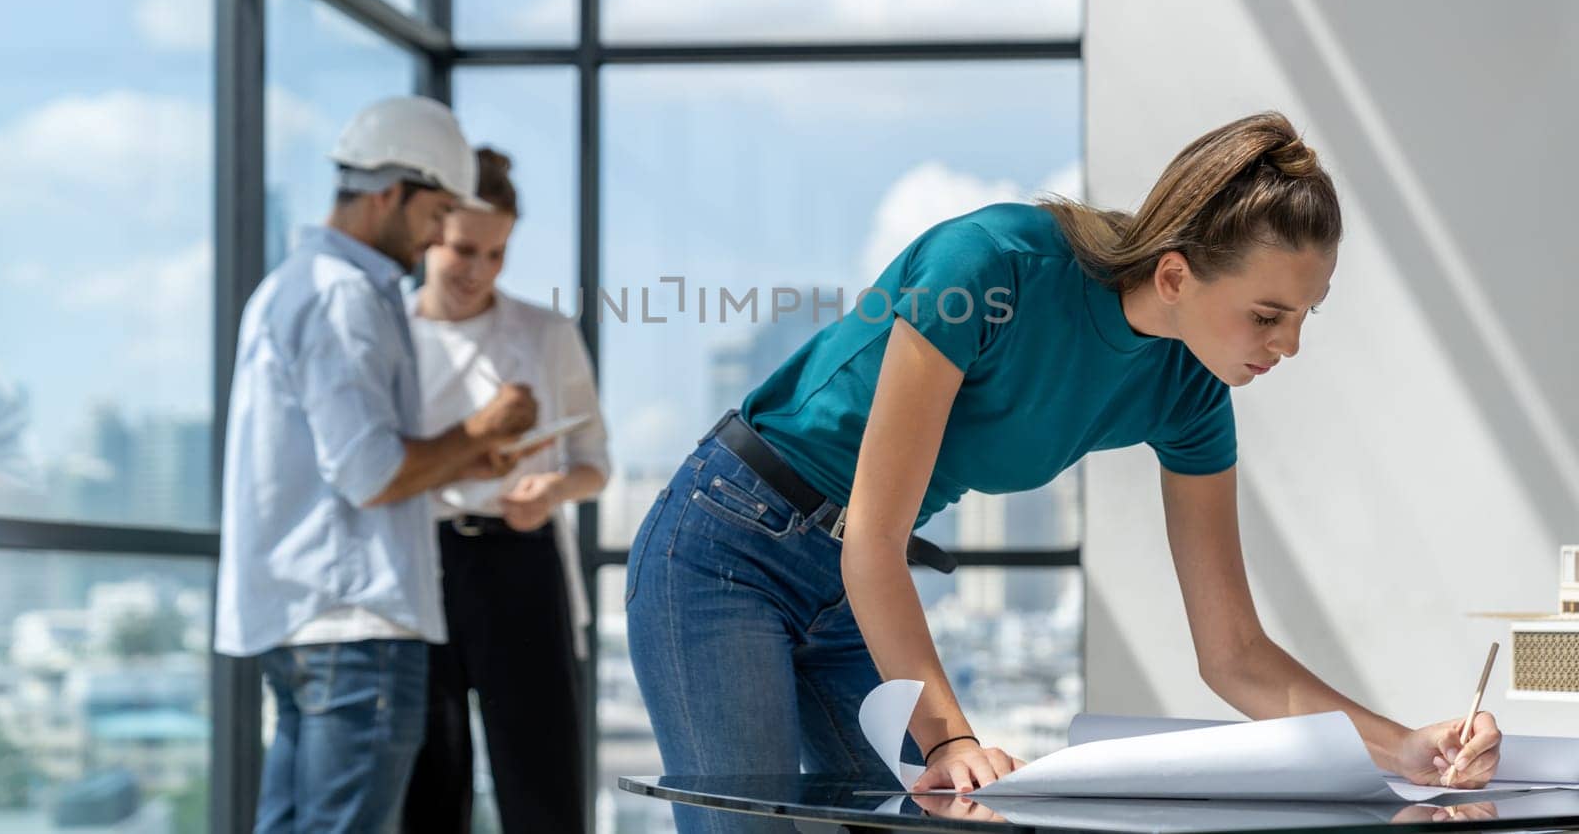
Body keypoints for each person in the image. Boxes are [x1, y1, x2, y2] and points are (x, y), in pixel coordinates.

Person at [626, 113, 1503, 833]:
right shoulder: (992, 267)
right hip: (729, 546)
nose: (1291, 344)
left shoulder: (1190, 394)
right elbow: (875, 538)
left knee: (934, 824)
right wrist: (950, 739)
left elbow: (1232, 652)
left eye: (1306, 315)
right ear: (1174, 273)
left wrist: (1406, 748)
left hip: (856, 586)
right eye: (1269, 314)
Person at [215, 97, 542, 834]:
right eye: (434, 217)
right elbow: (373, 474)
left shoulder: (295, 285)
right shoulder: (343, 296)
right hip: (354, 625)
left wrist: (469, 450)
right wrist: (481, 426)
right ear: (391, 192)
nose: (436, 239)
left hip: (311, 622)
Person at [402, 148, 610, 834]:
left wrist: (552, 489)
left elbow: (595, 463)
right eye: (465, 249)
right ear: (430, 235)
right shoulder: (390, 335)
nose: (480, 270)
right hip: (418, 565)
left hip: (522, 561)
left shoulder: (545, 333)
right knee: (429, 787)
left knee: (543, 784)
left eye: (497, 254)